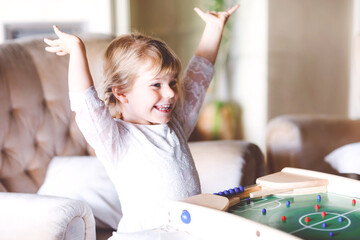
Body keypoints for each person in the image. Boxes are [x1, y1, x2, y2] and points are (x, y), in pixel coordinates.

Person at [44, 4, 239, 237]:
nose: (170, 93)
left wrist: (214, 29)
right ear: (122, 93)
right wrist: (77, 51)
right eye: (156, 84)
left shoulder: (176, 123)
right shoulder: (116, 138)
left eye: (173, 82)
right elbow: (86, 105)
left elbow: (199, 77)